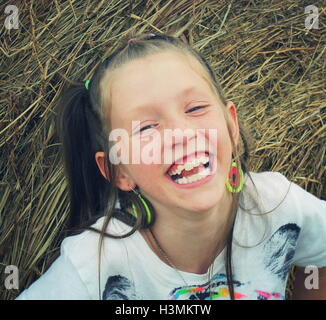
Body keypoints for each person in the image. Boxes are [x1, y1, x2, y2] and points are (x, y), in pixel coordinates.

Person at [16, 33, 326, 300]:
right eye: (146, 127)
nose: (182, 134)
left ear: (231, 126)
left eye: (196, 108)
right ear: (118, 171)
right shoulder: (94, 264)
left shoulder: (277, 205)